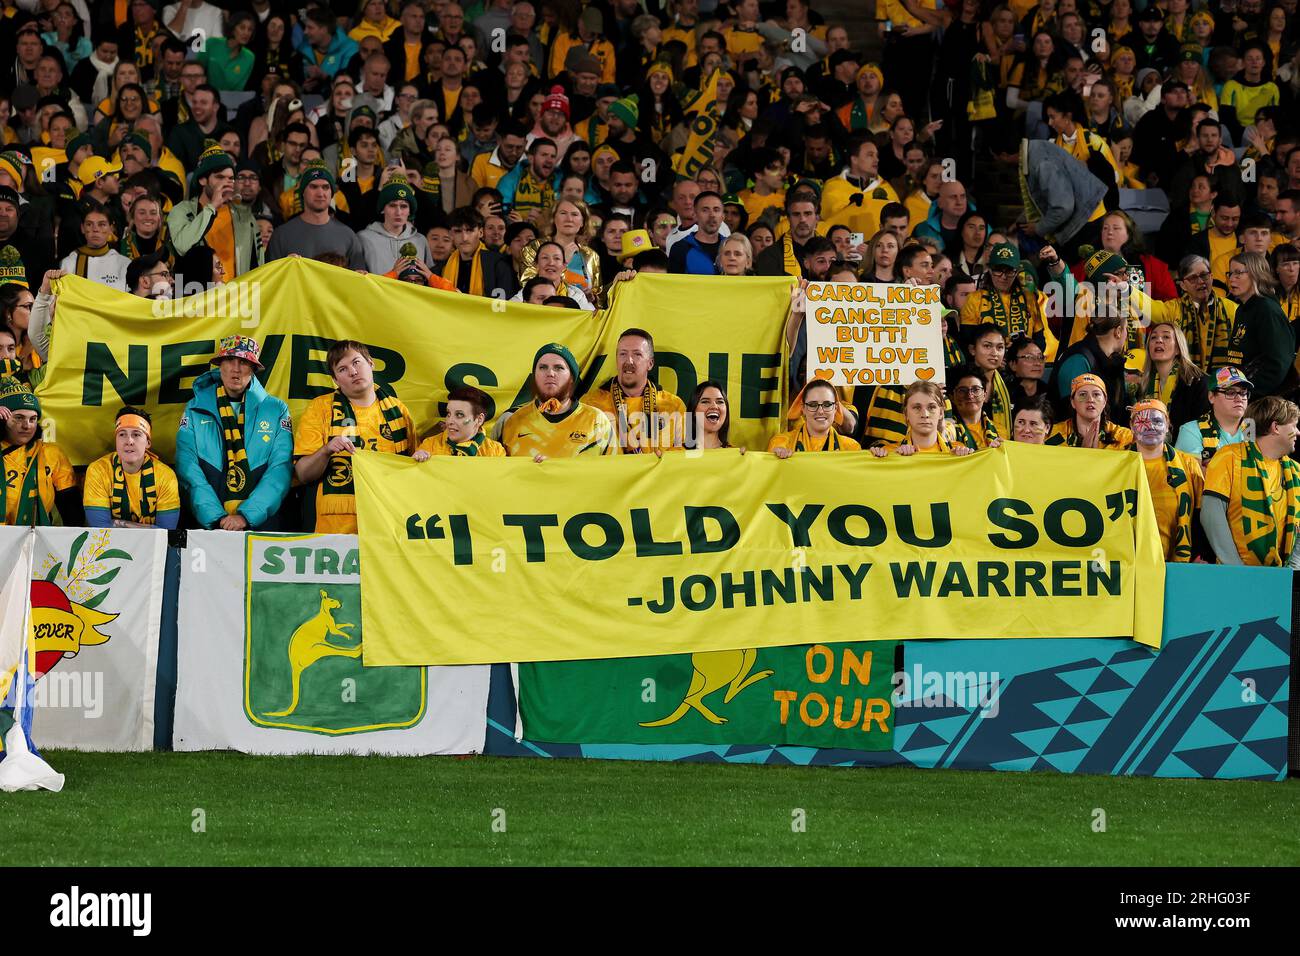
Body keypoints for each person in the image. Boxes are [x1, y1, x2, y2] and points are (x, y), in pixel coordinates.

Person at [293, 339, 418, 534]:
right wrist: (326, 450)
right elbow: (303, 474)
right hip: (334, 527)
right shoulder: (319, 408)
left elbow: (412, 471)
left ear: (371, 363)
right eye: (342, 369)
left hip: (386, 521)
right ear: (335, 380)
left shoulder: (398, 411)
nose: (352, 371)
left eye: (356, 362)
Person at [175, 335, 293, 531]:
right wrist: (216, 517)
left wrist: (247, 515)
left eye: (244, 362)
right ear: (220, 365)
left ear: (254, 369)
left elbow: (280, 469)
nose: (236, 369)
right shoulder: (194, 408)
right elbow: (187, 467)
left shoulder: (276, 409)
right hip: (209, 528)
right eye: (229, 360)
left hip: (262, 525)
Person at [1202, 395, 1300, 567]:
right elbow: (1211, 515)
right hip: (1235, 576)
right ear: (1275, 427)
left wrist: (1293, 569)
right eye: (1294, 425)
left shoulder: (1296, 471)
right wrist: (1235, 568)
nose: (1298, 432)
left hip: (1285, 578)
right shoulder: (1229, 457)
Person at [498, 343, 618, 460]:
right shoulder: (511, 420)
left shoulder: (597, 421)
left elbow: (613, 474)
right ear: (534, 376)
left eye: (559, 368)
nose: (550, 373)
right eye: (543, 367)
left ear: (572, 378)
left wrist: (557, 469)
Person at [168, 141, 262, 283]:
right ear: (202, 180)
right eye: (219, 177)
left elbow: (258, 262)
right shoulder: (181, 211)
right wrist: (212, 207)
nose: (227, 182)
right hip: (196, 297)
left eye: (231, 178)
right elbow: (182, 246)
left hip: (236, 299)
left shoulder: (245, 216)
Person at [1129, 254, 1239, 373]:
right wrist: (1125, 288)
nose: (1201, 281)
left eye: (1204, 275)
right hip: (1183, 380)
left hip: (1222, 383)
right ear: (1182, 285)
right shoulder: (1173, 309)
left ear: (1212, 277)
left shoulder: (1232, 309)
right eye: (1193, 278)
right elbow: (1148, 306)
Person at [586, 328, 688, 454]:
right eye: (623, 354)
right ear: (616, 359)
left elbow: (684, 456)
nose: (629, 361)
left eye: (637, 354)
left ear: (650, 363)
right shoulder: (590, 404)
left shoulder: (674, 406)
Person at [1130, 398, 1203, 563]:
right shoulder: (1118, 465)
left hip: (1176, 563)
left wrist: (1199, 554)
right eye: (1142, 421)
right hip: (1130, 564)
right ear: (1131, 427)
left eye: (1157, 420)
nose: (1150, 426)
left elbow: (1200, 514)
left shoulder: (1188, 464)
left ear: (1168, 424)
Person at [84, 406, 182, 529]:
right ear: (116, 440)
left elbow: (166, 533)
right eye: (122, 434)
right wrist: (148, 528)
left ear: (148, 443)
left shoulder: (165, 476)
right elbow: (99, 528)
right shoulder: (98, 470)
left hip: (152, 546)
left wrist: (119, 523)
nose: (129, 441)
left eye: (136, 434)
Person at [0, 377, 80, 526]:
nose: (27, 426)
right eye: (18, 418)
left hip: (36, 537)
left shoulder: (52, 454)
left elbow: (72, 510)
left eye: (33, 419)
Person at [266, 160, 367, 268]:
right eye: (313, 187)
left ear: (331, 193)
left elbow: (358, 280)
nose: (320, 193)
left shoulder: (348, 236)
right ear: (303, 192)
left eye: (325, 187)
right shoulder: (281, 235)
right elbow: (269, 279)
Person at [1225, 252, 1293, 397]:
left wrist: (1249, 393)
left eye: (1238, 273)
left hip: (1262, 399)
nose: (1231, 278)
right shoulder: (1242, 309)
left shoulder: (1267, 309)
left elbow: (1277, 364)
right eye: (1230, 273)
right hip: (1241, 393)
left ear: (1256, 274)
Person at [1135, 321, 1208, 430]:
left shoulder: (1197, 381)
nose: (1159, 340)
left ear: (1178, 348)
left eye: (1166, 337)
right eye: (1153, 337)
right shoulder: (1144, 385)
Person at [1176, 367, 1252, 465]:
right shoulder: (1191, 431)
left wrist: (1214, 465)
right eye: (1230, 392)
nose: (1239, 398)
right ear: (1211, 397)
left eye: (1243, 393)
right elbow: (1194, 476)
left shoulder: (1254, 429)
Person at [436, 206, 518, 298]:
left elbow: (503, 306)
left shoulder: (498, 263)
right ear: (451, 234)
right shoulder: (443, 267)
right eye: (458, 231)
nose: (464, 238)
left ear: (481, 233)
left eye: (470, 230)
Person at [868, 381, 968, 457]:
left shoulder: (959, 451)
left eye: (931, 407)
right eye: (917, 407)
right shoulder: (889, 452)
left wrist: (966, 459)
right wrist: (878, 459)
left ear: (941, 413)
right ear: (906, 413)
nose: (925, 414)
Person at [768, 379, 862, 457]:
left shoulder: (851, 448)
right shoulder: (782, 442)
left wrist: (875, 457)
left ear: (836, 408)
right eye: (813, 405)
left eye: (827, 404)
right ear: (803, 408)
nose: (820, 411)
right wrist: (776, 458)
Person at [412, 385, 506, 459]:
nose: (449, 421)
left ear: (479, 419)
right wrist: (416, 462)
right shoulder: (429, 445)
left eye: (459, 415)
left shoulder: (495, 451)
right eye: (448, 413)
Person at [1045, 373, 1135, 449]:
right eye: (1083, 394)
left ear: (1105, 401)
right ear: (1073, 402)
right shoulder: (1053, 434)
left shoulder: (1123, 436)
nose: (1090, 399)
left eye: (1096, 394)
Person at [948, 364, 1005, 451]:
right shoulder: (948, 431)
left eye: (976, 389)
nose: (970, 395)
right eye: (962, 390)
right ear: (952, 397)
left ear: (985, 395)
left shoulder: (1000, 431)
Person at [683, 380, 733, 451]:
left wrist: (746, 459)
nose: (714, 406)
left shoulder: (735, 455)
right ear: (693, 410)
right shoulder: (675, 454)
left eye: (720, 402)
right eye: (705, 401)